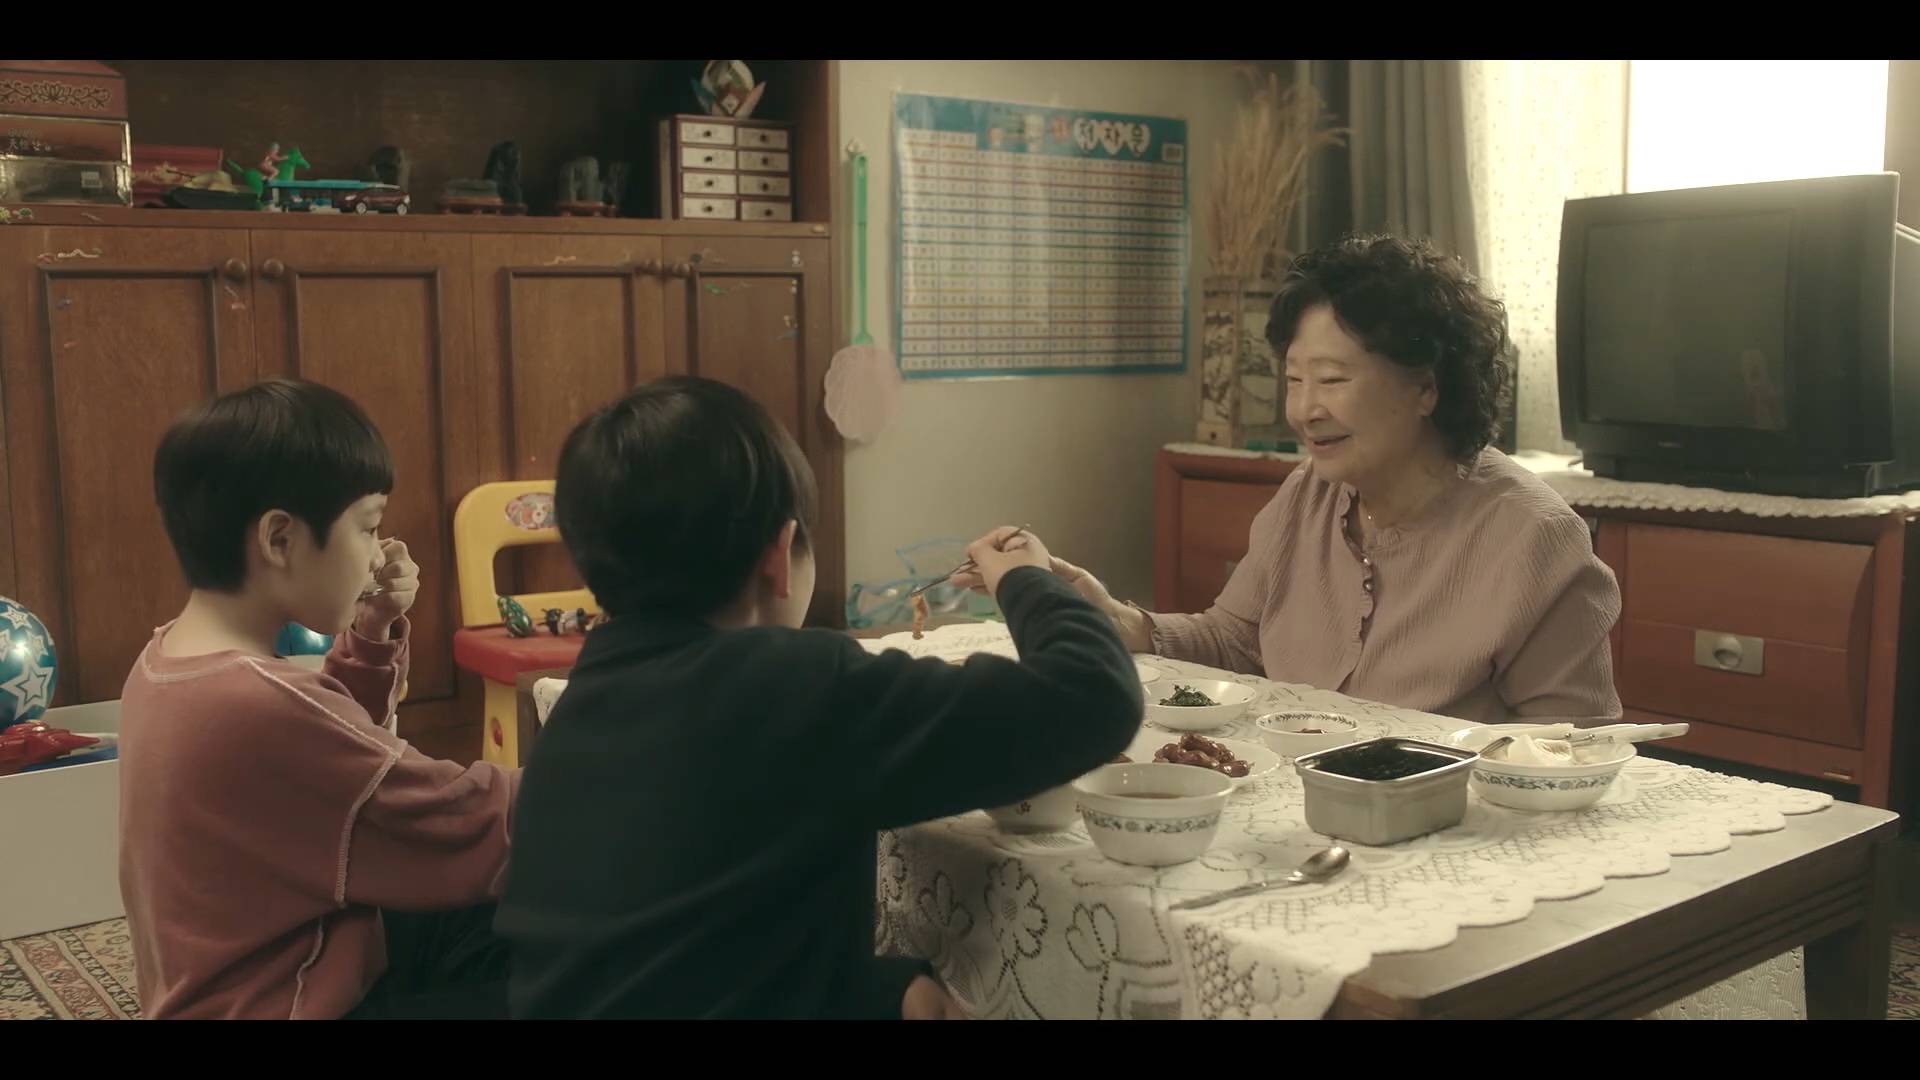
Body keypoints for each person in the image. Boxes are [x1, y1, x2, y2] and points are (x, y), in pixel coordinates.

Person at [120, 379, 517, 1019]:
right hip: (289, 1003)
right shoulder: (258, 704)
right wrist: (597, 784)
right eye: (369, 527)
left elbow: (333, 766)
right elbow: (457, 816)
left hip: (247, 978)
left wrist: (372, 628)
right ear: (279, 539)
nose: (378, 555)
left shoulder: (166, 660)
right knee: (568, 960)